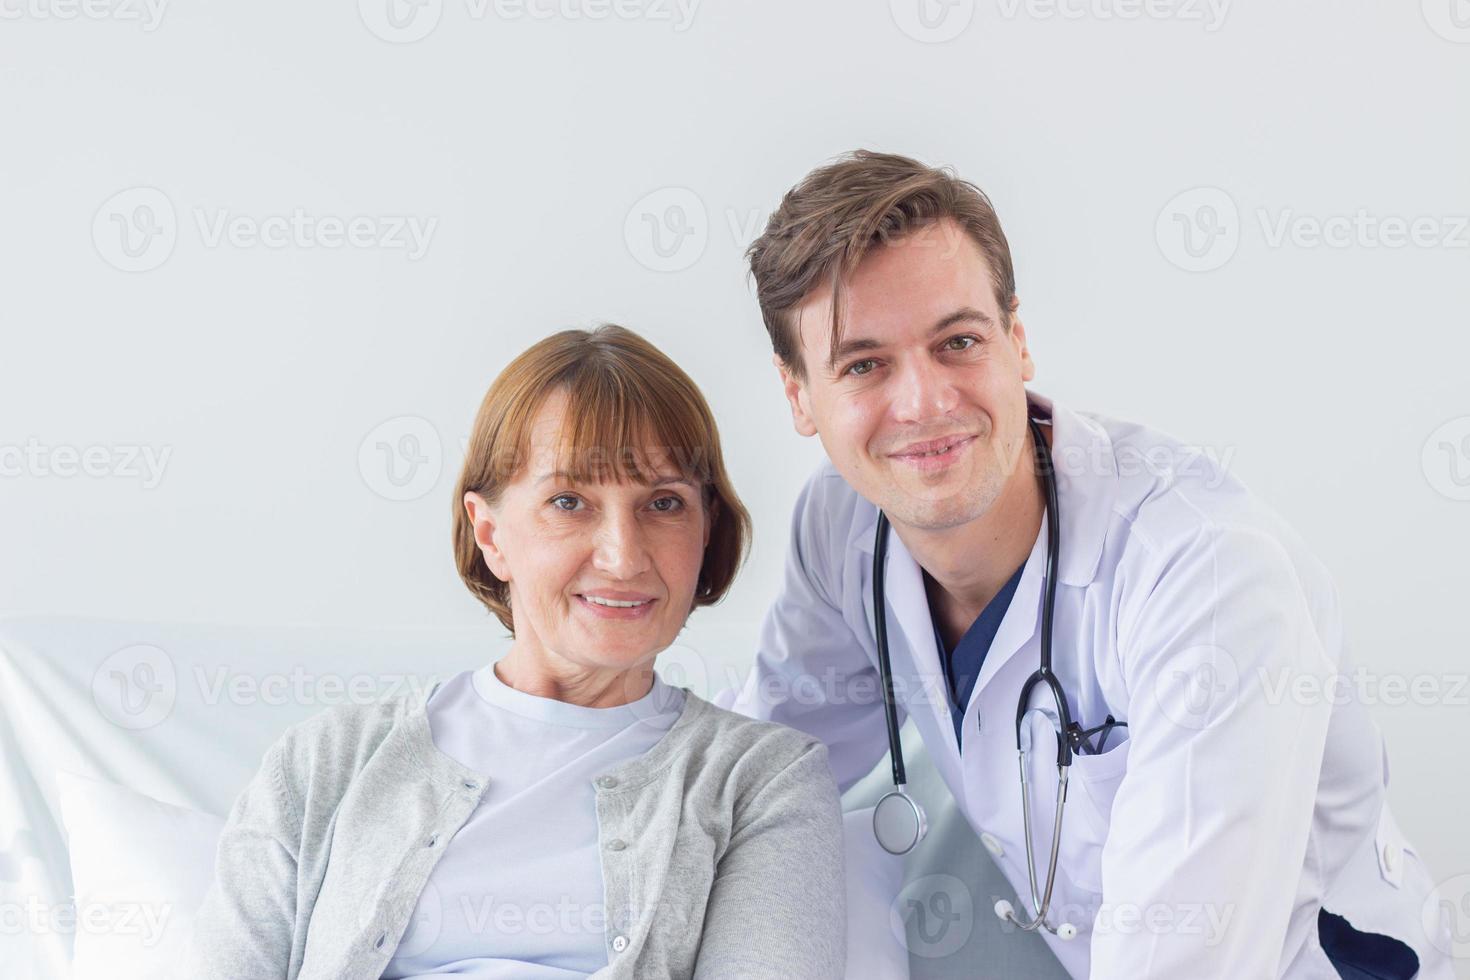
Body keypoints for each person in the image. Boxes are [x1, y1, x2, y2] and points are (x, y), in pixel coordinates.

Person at [730, 149, 1452, 978]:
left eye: (957, 341)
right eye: (863, 365)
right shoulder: (843, 524)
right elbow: (765, 773)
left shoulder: (1203, 576)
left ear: (1017, 341)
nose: (924, 403)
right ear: (797, 396)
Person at [186, 324, 845, 980]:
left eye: (663, 503)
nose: (623, 555)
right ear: (491, 534)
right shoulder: (323, 765)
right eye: (569, 501)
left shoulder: (763, 783)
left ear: (708, 530)